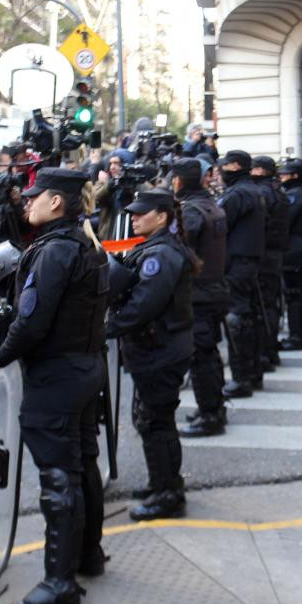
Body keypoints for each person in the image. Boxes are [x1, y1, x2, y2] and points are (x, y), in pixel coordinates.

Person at [0, 168, 109, 604]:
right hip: (83, 368)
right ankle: (88, 555)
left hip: (56, 376)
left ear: (56, 202)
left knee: (59, 477)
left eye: (34, 196)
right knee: (81, 462)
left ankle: (60, 582)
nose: (26, 203)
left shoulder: (55, 250)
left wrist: (1, 354)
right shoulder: (85, 242)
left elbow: (33, 321)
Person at [106, 189, 199, 519]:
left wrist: (108, 327)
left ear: (162, 216)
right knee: (153, 420)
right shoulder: (156, 248)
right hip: (157, 348)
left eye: (140, 213)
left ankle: (168, 494)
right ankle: (162, 481)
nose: (133, 218)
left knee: (156, 422)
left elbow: (144, 304)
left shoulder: (161, 255)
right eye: (132, 213)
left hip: (160, 350)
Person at [169, 158, 229, 437]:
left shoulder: (190, 211)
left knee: (201, 357)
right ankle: (214, 407)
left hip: (199, 293)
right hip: (213, 290)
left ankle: (210, 415)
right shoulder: (210, 205)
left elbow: (178, 250)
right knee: (209, 354)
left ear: (179, 182)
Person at [217, 150, 266, 399]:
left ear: (235, 166)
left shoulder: (238, 193)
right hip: (248, 262)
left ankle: (241, 378)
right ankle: (252, 373)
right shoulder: (252, 190)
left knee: (237, 320)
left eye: (224, 166)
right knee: (248, 317)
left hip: (238, 263)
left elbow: (219, 223)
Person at [251, 155, 288, 372]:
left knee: (264, 305)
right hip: (275, 254)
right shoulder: (277, 191)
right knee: (271, 303)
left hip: (265, 255)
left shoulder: (264, 192)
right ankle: (270, 349)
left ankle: (265, 352)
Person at [279, 159, 302, 351]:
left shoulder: (295, 195)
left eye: (286, 173)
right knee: (299, 293)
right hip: (301, 247)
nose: (282, 177)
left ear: (295, 176)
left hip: (295, 249)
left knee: (294, 294)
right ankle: (301, 333)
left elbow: (286, 221)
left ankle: (296, 336)